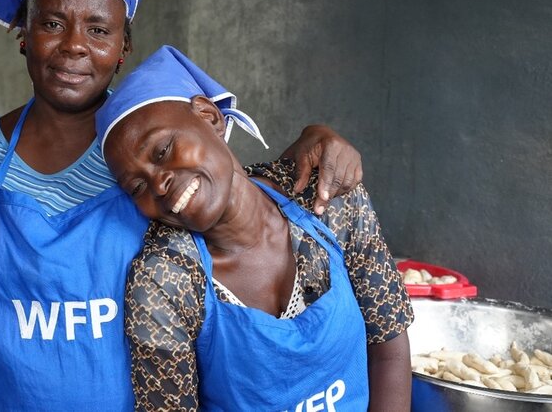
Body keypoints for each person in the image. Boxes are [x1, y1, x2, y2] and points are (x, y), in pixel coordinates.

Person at [0, 0, 365, 410]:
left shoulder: (148, 156)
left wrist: (317, 138)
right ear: (23, 31)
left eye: (99, 30)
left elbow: (230, 195)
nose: (74, 47)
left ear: (123, 46)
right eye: (51, 23)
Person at [95, 45, 413, 412]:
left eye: (163, 151)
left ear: (208, 116)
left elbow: (388, 343)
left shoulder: (325, 195)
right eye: (137, 186)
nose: (159, 184)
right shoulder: (165, 279)